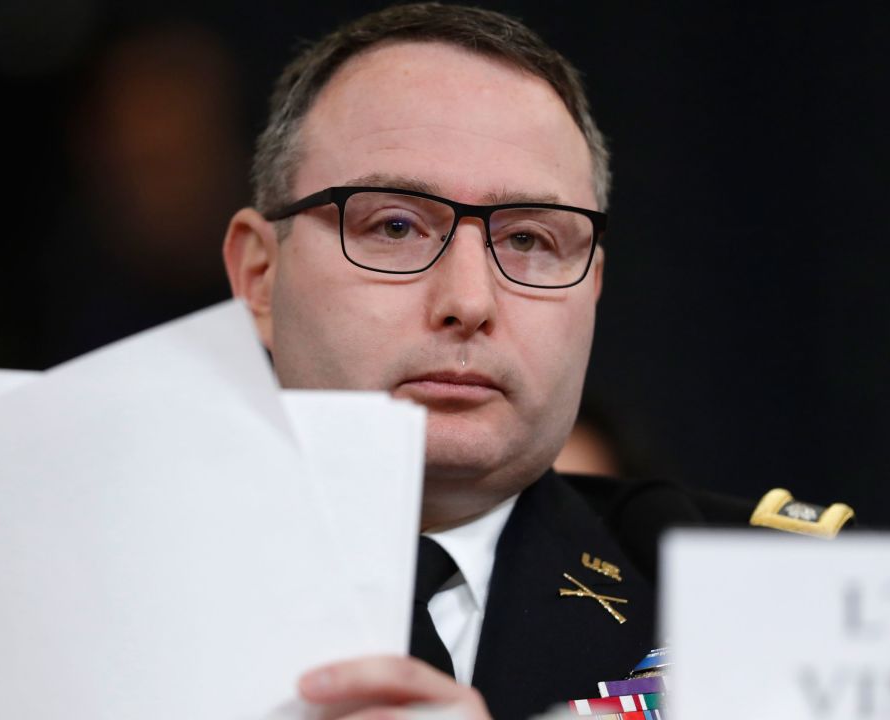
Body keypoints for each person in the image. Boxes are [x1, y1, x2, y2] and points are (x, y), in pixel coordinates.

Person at [221, 5, 764, 719]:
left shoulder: (761, 611)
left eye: (530, 241)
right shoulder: (82, 572)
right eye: (395, 226)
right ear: (261, 277)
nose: (469, 300)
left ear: (593, 287)